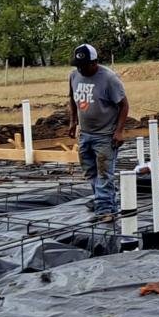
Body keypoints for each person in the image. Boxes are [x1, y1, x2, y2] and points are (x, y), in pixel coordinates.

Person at [67, 43, 129, 222]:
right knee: (90, 172)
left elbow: (124, 105)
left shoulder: (109, 79)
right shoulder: (74, 76)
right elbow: (72, 98)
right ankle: (109, 204)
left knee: (104, 173)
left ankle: (104, 211)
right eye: (78, 65)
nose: (81, 69)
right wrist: (73, 121)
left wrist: (119, 132)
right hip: (85, 134)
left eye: (84, 65)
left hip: (105, 135)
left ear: (94, 63)